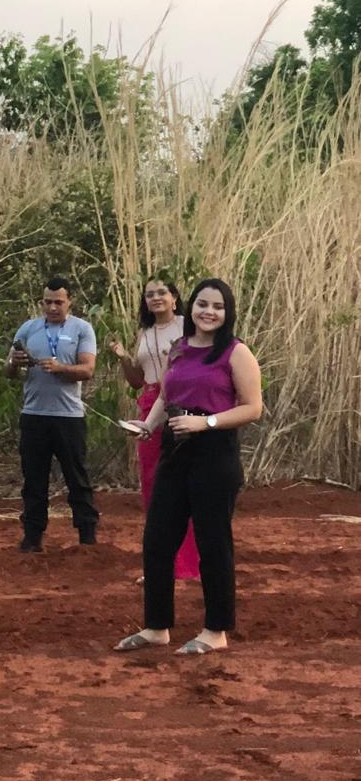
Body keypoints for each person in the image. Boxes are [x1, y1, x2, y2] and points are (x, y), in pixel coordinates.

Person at [115, 278, 262, 655]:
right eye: (203, 304)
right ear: (191, 308)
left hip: (214, 453)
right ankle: (156, 627)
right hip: (174, 450)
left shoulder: (235, 352)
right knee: (157, 540)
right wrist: (148, 425)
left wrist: (206, 422)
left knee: (213, 543)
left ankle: (216, 631)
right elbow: (166, 394)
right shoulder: (180, 347)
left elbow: (253, 407)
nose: (209, 312)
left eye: (217, 306)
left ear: (227, 313)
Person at [108, 279, 200, 582]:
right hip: (150, 405)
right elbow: (137, 380)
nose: (156, 298)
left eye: (162, 293)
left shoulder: (189, 326)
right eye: (150, 294)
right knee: (153, 484)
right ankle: (162, 563)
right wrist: (122, 356)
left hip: (185, 404)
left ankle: (193, 564)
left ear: (175, 298)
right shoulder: (144, 334)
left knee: (188, 484)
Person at [6, 277, 98, 552]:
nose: (53, 307)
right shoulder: (28, 328)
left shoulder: (82, 328)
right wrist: (14, 362)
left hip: (68, 416)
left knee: (77, 477)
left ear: (70, 301)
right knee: (34, 478)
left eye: (59, 302)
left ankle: (87, 535)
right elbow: (8, 371)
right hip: (34, 414)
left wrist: (61, 369)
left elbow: (88, 370)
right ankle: (32, 536)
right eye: (47, 302)